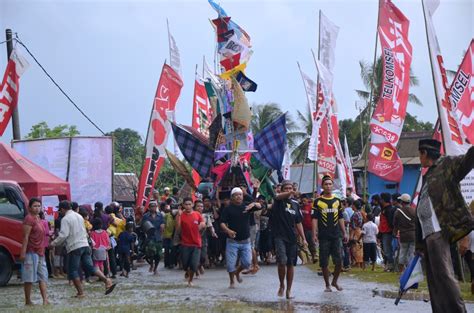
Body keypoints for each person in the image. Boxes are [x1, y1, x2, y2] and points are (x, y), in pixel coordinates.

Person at [415, 139, 474, 313]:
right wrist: (419, 244)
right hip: (428, 234)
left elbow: (468, 160)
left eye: (419, 154)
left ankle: (457, 310)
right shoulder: (428, 175)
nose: (419, 158)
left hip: (440, 230)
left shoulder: (447, 164)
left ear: (425, 153)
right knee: (434, 279)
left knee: (444, 275)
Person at [51, 200, 116, 298]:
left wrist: (53, 243)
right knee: (90, 266)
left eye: (60, 210)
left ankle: (80, 293)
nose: (60, 212)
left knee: (73, 270)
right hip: (85, 245)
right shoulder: (79, 216)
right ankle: (107, 280)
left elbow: (63, 235)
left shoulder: (66, 219)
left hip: (74, 246)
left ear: (63, 209)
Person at [269, 180, 307, 299]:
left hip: (292, 237)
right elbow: (278, 196)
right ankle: (281, 285)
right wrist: (290, 192)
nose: (289, 190)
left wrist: (304, 238)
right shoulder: (278, 200)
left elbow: (298, 222)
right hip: (279, 236)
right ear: (282, 189)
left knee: (291, 264)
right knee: (282, 261)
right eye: (286, 188)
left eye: (291, 188)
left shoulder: (295, 204)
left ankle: (289, 290)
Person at [220, 187, 261, 289]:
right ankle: (232, 281)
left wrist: (255, 204)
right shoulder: (228, 209)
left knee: (247, 263)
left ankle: (237, 272)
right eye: (236, 195)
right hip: (232, 241)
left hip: (245, 241)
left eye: (240, 194)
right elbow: (222, 223)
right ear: (232, 197)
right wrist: (228, 231)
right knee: (230, 264)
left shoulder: (247, 206)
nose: (239, 196)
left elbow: (261, 206)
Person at [312, 175, 347, 292]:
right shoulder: (317, 202)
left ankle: (335, 281)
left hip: (336, 236)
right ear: (322, 186)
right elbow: (314, 219)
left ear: (333, 186)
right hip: (323, 237)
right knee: (324, 262)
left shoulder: (337, 201)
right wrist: (314, 233)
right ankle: (327, 284)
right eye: (325, 184)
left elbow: (341, 217)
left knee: (339, 261)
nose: (328, 186)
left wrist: (344, 232)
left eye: (330, 184)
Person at [20, 198, 49, 306]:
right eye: (35, 206)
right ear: (29, 208)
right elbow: (25, 237)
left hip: (40, 251)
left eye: (39, 206)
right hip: (31, 252)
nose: (37, 208)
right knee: (29, 278)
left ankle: (45, 300)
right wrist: (23, 252)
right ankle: (28, 300)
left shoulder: (38, 218)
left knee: (43, 276)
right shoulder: (29, 219)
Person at [176, 198, 205, 286]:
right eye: (186, 204)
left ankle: (190, 280)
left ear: (192, 205)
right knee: (185, 264)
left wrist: (202, 225)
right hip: (185, 243)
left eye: (189, 204)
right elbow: (178, 229)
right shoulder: (181, 215)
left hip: (196, 243)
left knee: (194, 264)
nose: (188, 206)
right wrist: (179, 216)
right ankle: (187, 272)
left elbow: (203, 222)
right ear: (183, 205)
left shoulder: (197, 214)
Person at [392, 193, 415, 272]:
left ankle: (401, 271)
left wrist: (394, 233)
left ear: (402, 202)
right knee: (411, 253)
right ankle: (410, 271)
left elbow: (395, 224)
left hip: (403, 235)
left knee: (402, 252)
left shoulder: (398, 212)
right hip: (413, 234)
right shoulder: (414, 210)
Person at [142, 201, 164, 275]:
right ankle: (151, 264)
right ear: (149, 207)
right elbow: (143, 226)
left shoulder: (160, 215)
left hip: (158, 236)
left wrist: (162, 226)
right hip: (150, 237)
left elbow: (163, 223)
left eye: (154, 206)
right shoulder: (145, 216)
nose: (153, 208)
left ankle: (155, 268)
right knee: (151, 252)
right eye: (152, 206)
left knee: (158, 254)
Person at [378, 192, 395, 272]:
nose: (379, 200)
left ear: (383, 200)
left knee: (388, 251)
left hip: (387, 233)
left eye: (381, 199)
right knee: (386, 250)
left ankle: (391, 266)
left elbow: (390, 222)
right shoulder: (384, 209)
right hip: (384, 232)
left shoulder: (388, 210)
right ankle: (389, 265)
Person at [300, 195, 318, 264]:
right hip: (303, 228)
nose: (304, 202)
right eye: (302, 201)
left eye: (305, 200)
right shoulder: (300, 207)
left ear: (307, 200)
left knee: (311, 242)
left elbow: (314, 218)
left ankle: (314, 255)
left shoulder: (311, 207)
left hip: (310, 228)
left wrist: (315, 229)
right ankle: (309, 257)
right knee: (305, 243)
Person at [349, 200, 364, 268]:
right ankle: (360, 262)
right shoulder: (359, 213)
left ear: (354, 206)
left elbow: (353, 226)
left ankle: (357, 263)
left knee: (355, 247)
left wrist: (351, 235)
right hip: (359, 230)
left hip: (355, 231)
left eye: (352, 205)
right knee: (359, 247)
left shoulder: (355, 214)